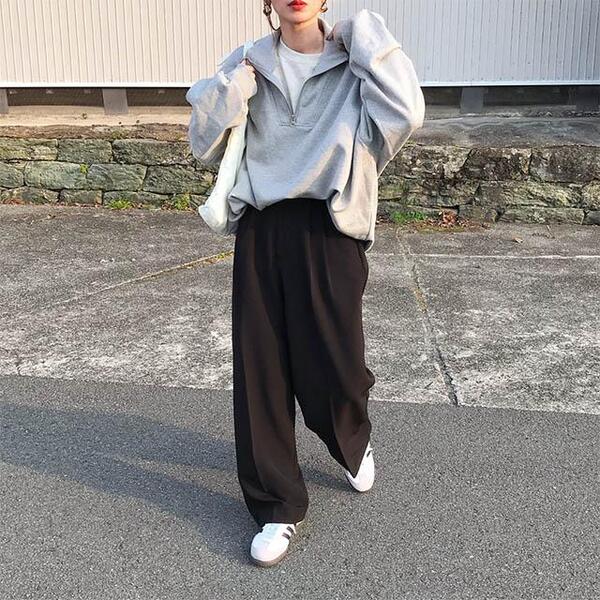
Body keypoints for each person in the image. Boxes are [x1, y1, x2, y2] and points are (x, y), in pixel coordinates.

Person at [185, 0, 425, 567]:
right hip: (264, 227)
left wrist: (364, 32)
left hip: (331, 227)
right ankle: (277, 505)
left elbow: (407, 112)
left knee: (338, 365)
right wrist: (234, 91)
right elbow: (201, 140)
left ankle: (350, 435)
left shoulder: (353, 61)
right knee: (262, 370)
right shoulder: (247, 61)